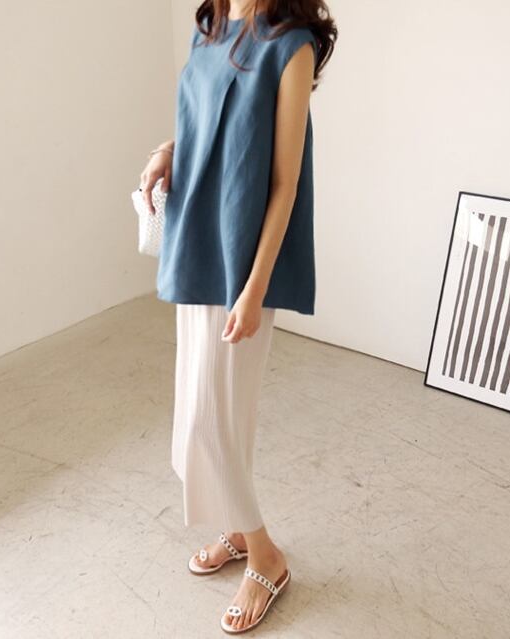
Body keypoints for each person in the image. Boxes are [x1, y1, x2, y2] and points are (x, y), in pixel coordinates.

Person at [139, 0, 336, 633]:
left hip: (242, 255)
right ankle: (236, 528)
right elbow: (205, 123)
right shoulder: (210, 28)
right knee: (211, 409)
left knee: (213, 415)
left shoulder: (292, 45)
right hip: (196, 238)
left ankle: (266, 555)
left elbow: (285, 181)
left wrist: (254, 288)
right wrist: (168, 150)